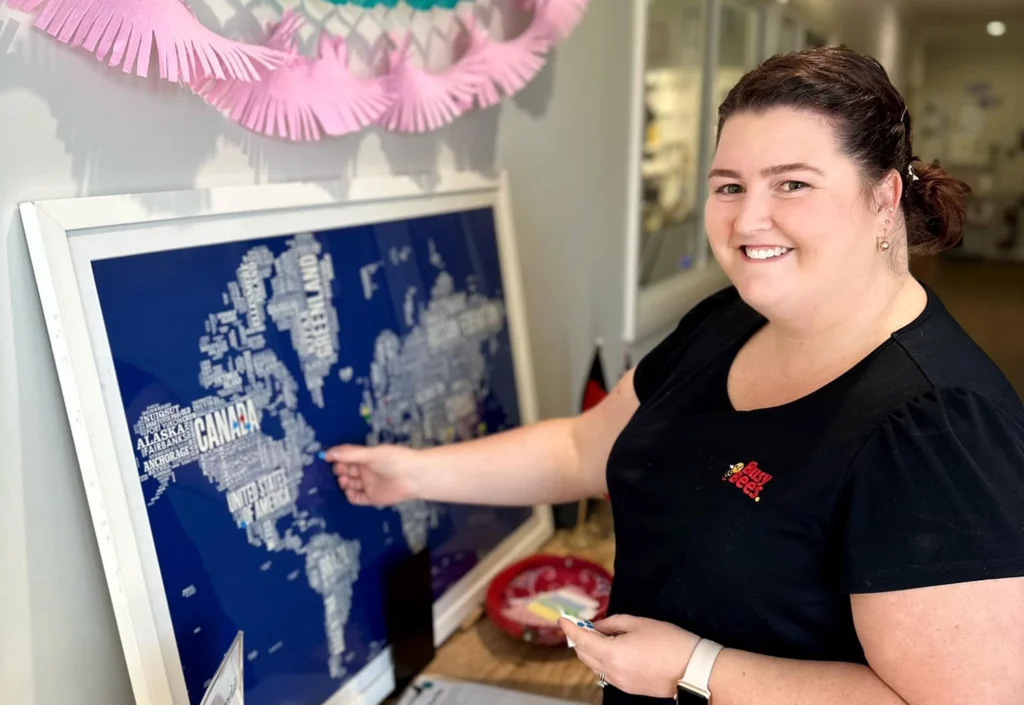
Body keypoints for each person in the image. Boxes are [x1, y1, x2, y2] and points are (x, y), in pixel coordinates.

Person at [325, 46, 1024, 704]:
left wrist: (695, 668)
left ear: (882, 197)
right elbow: (580, 449)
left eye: (793, 183)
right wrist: (413, 474)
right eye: (730, 185)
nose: (750, 218)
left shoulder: (940, 425)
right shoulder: (729, 321)